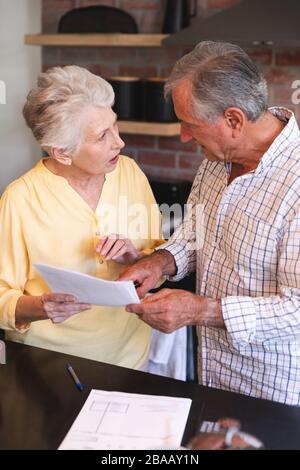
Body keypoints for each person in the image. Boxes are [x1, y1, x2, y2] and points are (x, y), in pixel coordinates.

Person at [119, 41, 300, 404]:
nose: (184, 136)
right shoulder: (217, 158)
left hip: (273, 393)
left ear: (233, 119)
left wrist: (199, 309)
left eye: (190, 125)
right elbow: (195, 233)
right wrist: (159, 263)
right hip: (211, 373)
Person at [0, 65, 164, 369]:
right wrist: (40, 307)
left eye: (115, 126)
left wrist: (137, 258)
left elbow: (160, 260)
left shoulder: (130, 173)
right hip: (49, 367)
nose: (119, 142)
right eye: (102, 136)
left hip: (131, 360)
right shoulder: (20, 198)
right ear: (62, 152)